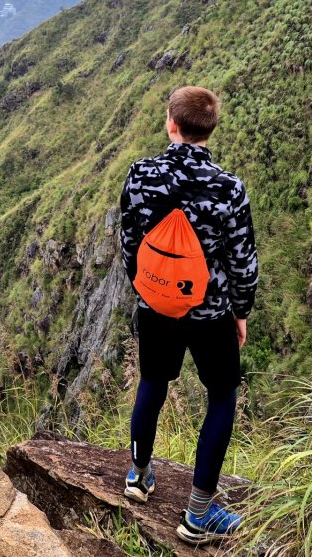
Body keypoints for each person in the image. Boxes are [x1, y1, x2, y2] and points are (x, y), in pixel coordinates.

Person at [119, 86, 258, 545]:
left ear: (171, 123)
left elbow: (129, 242)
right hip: (210, 312)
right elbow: (242, 260)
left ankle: (138, 476)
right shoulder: (228, 188)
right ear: (210, 128)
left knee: (153, 383)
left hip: (156, 304)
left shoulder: (140, 175)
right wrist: (240, 312)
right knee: (221, 396)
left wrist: (147, 290)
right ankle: (199, 516)